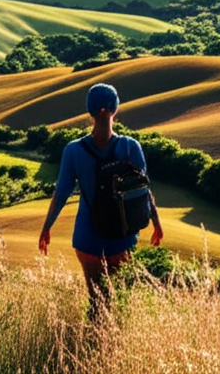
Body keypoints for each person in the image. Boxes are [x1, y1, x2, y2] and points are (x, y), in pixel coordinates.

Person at [38, 83, 163, 313]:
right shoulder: (131, 146)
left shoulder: (73, 150)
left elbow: (61, 193)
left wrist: (47, 227)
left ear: (90, 110)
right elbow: (144, 189)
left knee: (96, 299)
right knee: (115, 299)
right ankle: (112, 334)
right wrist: (156, 223)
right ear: (115, 109)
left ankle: (93, 331)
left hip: (87, 237)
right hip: (122, 236)